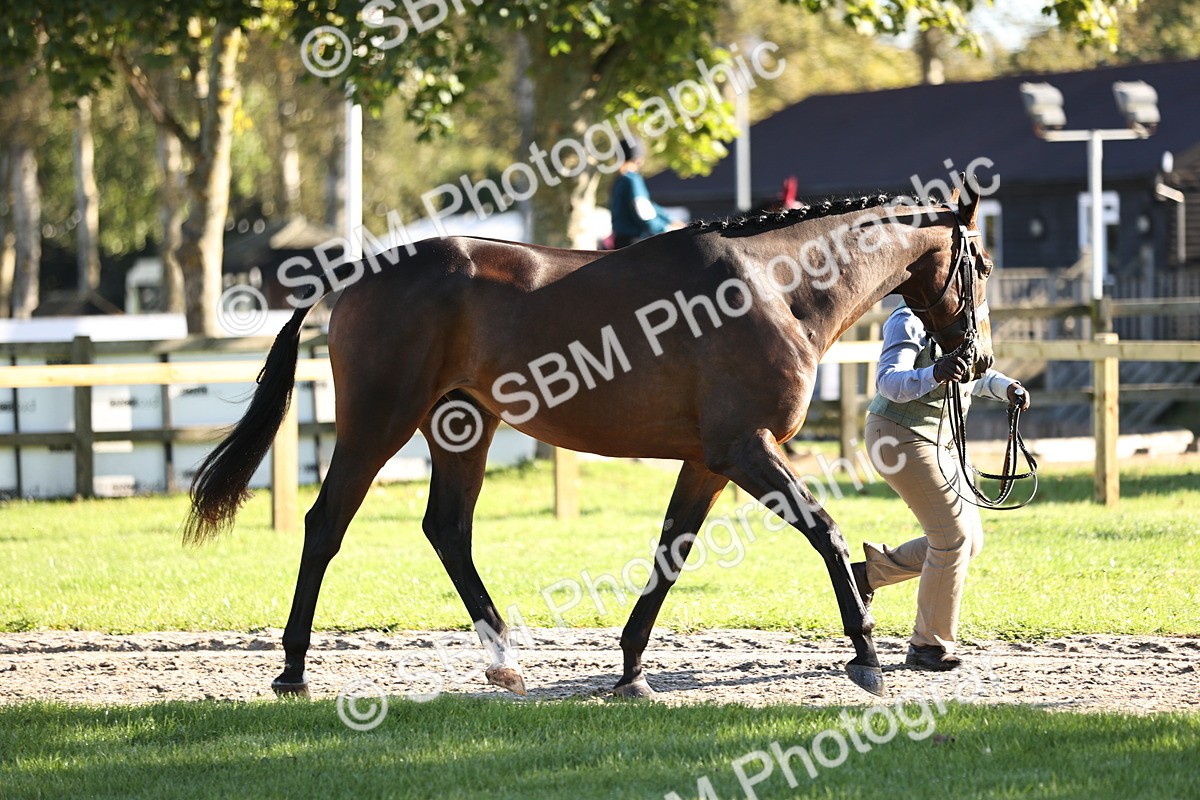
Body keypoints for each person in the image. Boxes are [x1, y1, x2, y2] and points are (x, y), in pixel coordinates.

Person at [852, 302, 1031, 671]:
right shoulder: (908, 319)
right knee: (952, 538)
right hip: (897, 433)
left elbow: (975, 376)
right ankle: (928, 647)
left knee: (970, 543)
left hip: (942, 440)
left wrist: (1007, 387)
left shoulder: (963, 321)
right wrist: (934, 372)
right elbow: (889, 381)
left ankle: (868, 575)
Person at [608, 138, 680, 248]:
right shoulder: (632, 180)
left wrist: (669, 220)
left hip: (620, 240)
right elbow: (644, 214)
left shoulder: (619, 180)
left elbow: (649, 206)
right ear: (639, 159)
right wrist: (666, 228)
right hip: (633, 242)